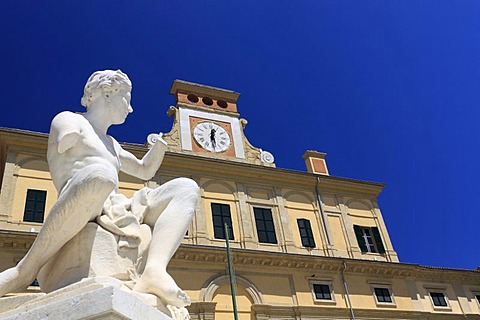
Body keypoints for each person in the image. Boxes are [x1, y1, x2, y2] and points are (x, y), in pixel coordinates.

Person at [0, 70, 199, 309]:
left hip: (114, 206)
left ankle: (154, 270)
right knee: (101, 174)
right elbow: (65, 140)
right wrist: (69, 134)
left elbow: (145, 171)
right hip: (79, 199)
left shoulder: (112, 144)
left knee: (186, 188)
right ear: (107, 93)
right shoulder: (70, 119)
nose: (130, 108)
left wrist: (160, 147)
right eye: (126, 98)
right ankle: (26, 270)